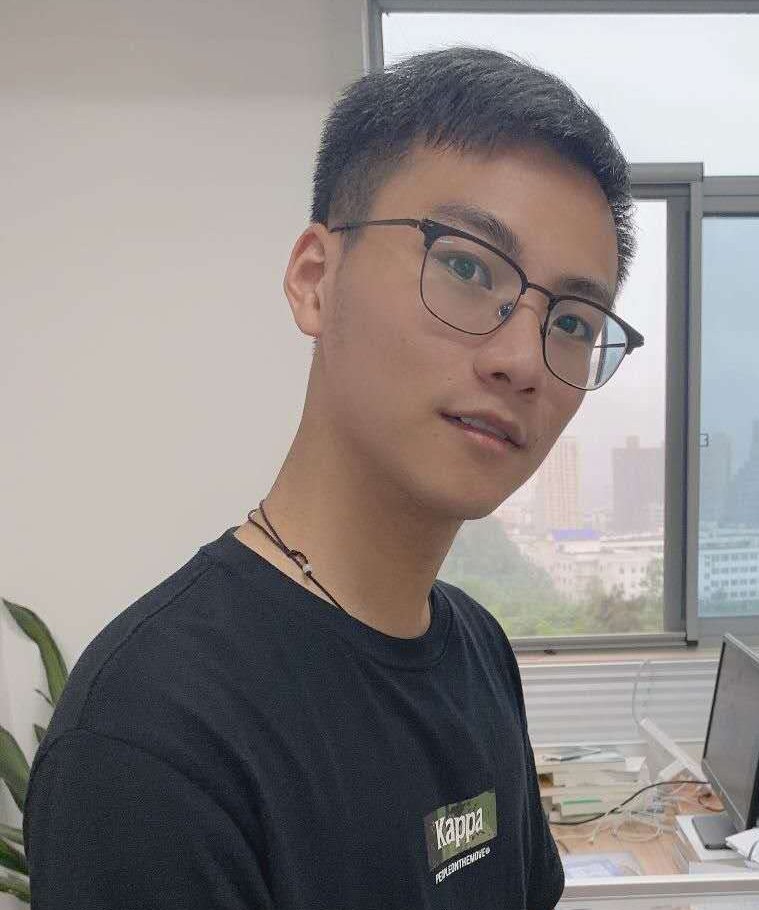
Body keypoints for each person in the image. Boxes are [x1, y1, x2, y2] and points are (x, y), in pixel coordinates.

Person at [23, 45, 641, 909]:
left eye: (572, 322)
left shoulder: (477, 649)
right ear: (315, 279)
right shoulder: (152, 737)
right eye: (467, 267)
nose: (522, 360)